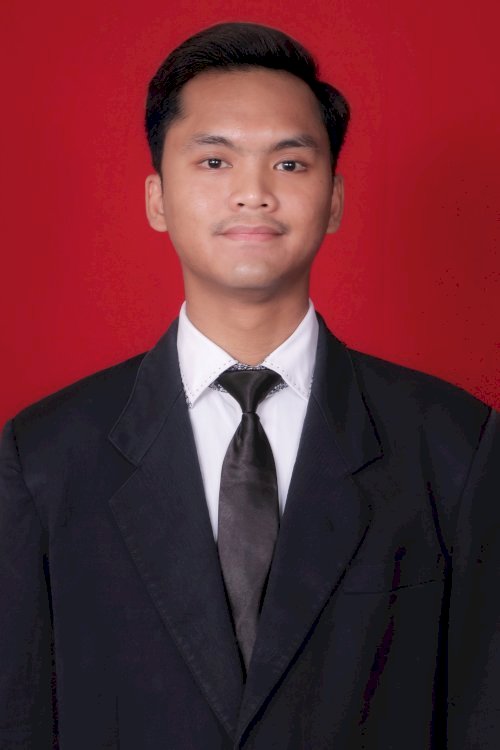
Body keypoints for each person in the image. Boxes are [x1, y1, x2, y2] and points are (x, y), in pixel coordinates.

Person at [0, 21, 498, 750]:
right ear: (157, 198)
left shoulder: (454, 444)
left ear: (334, 199)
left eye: (290, 164)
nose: (254, 194)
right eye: (214, 161)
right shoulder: (44, 455)